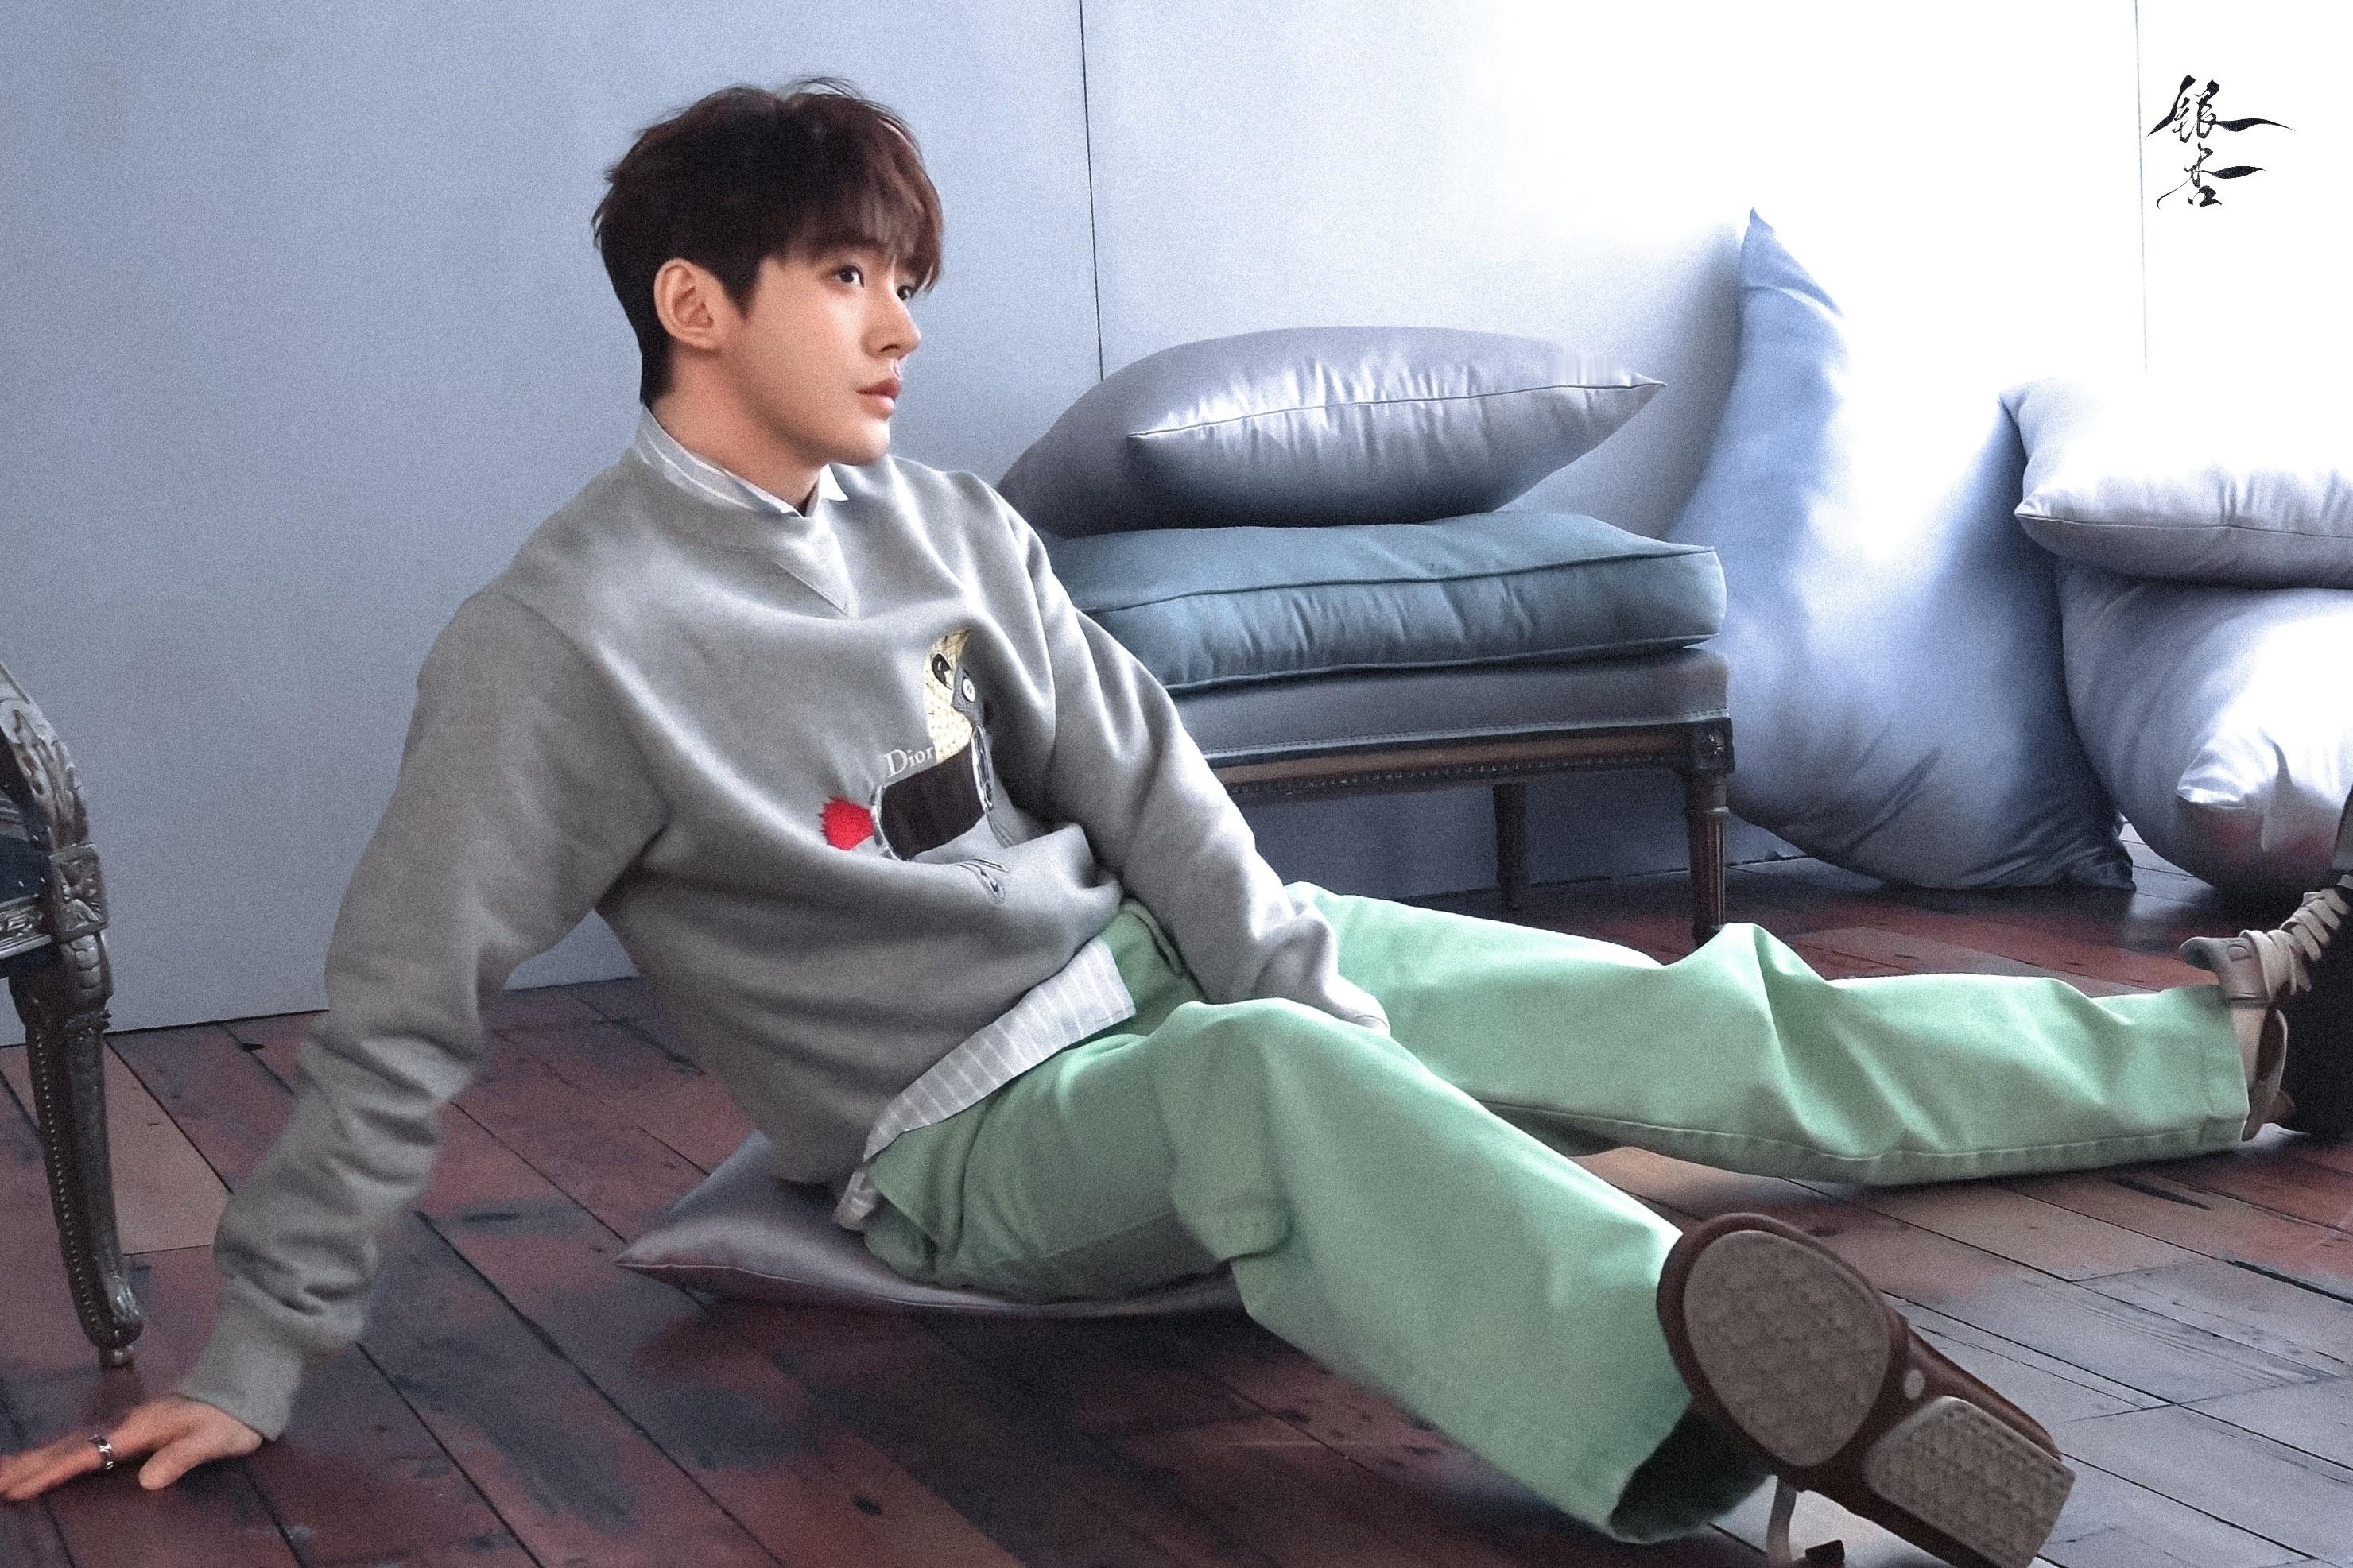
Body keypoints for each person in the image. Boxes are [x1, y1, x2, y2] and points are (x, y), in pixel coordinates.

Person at [5, 76, 2347, 1568]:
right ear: (694, 302)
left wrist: (1332, 988)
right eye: (848, 277)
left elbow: (1147, 781)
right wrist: (249, 1361)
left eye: (909, 279)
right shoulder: (558, 646)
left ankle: (2240, 1050)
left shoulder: (945, 524)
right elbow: (402, 1016)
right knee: (1273, 1085)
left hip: (1161, 975)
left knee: (1651, 1009)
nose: (902, 325)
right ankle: (1732, 1433)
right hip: (973, 1135)